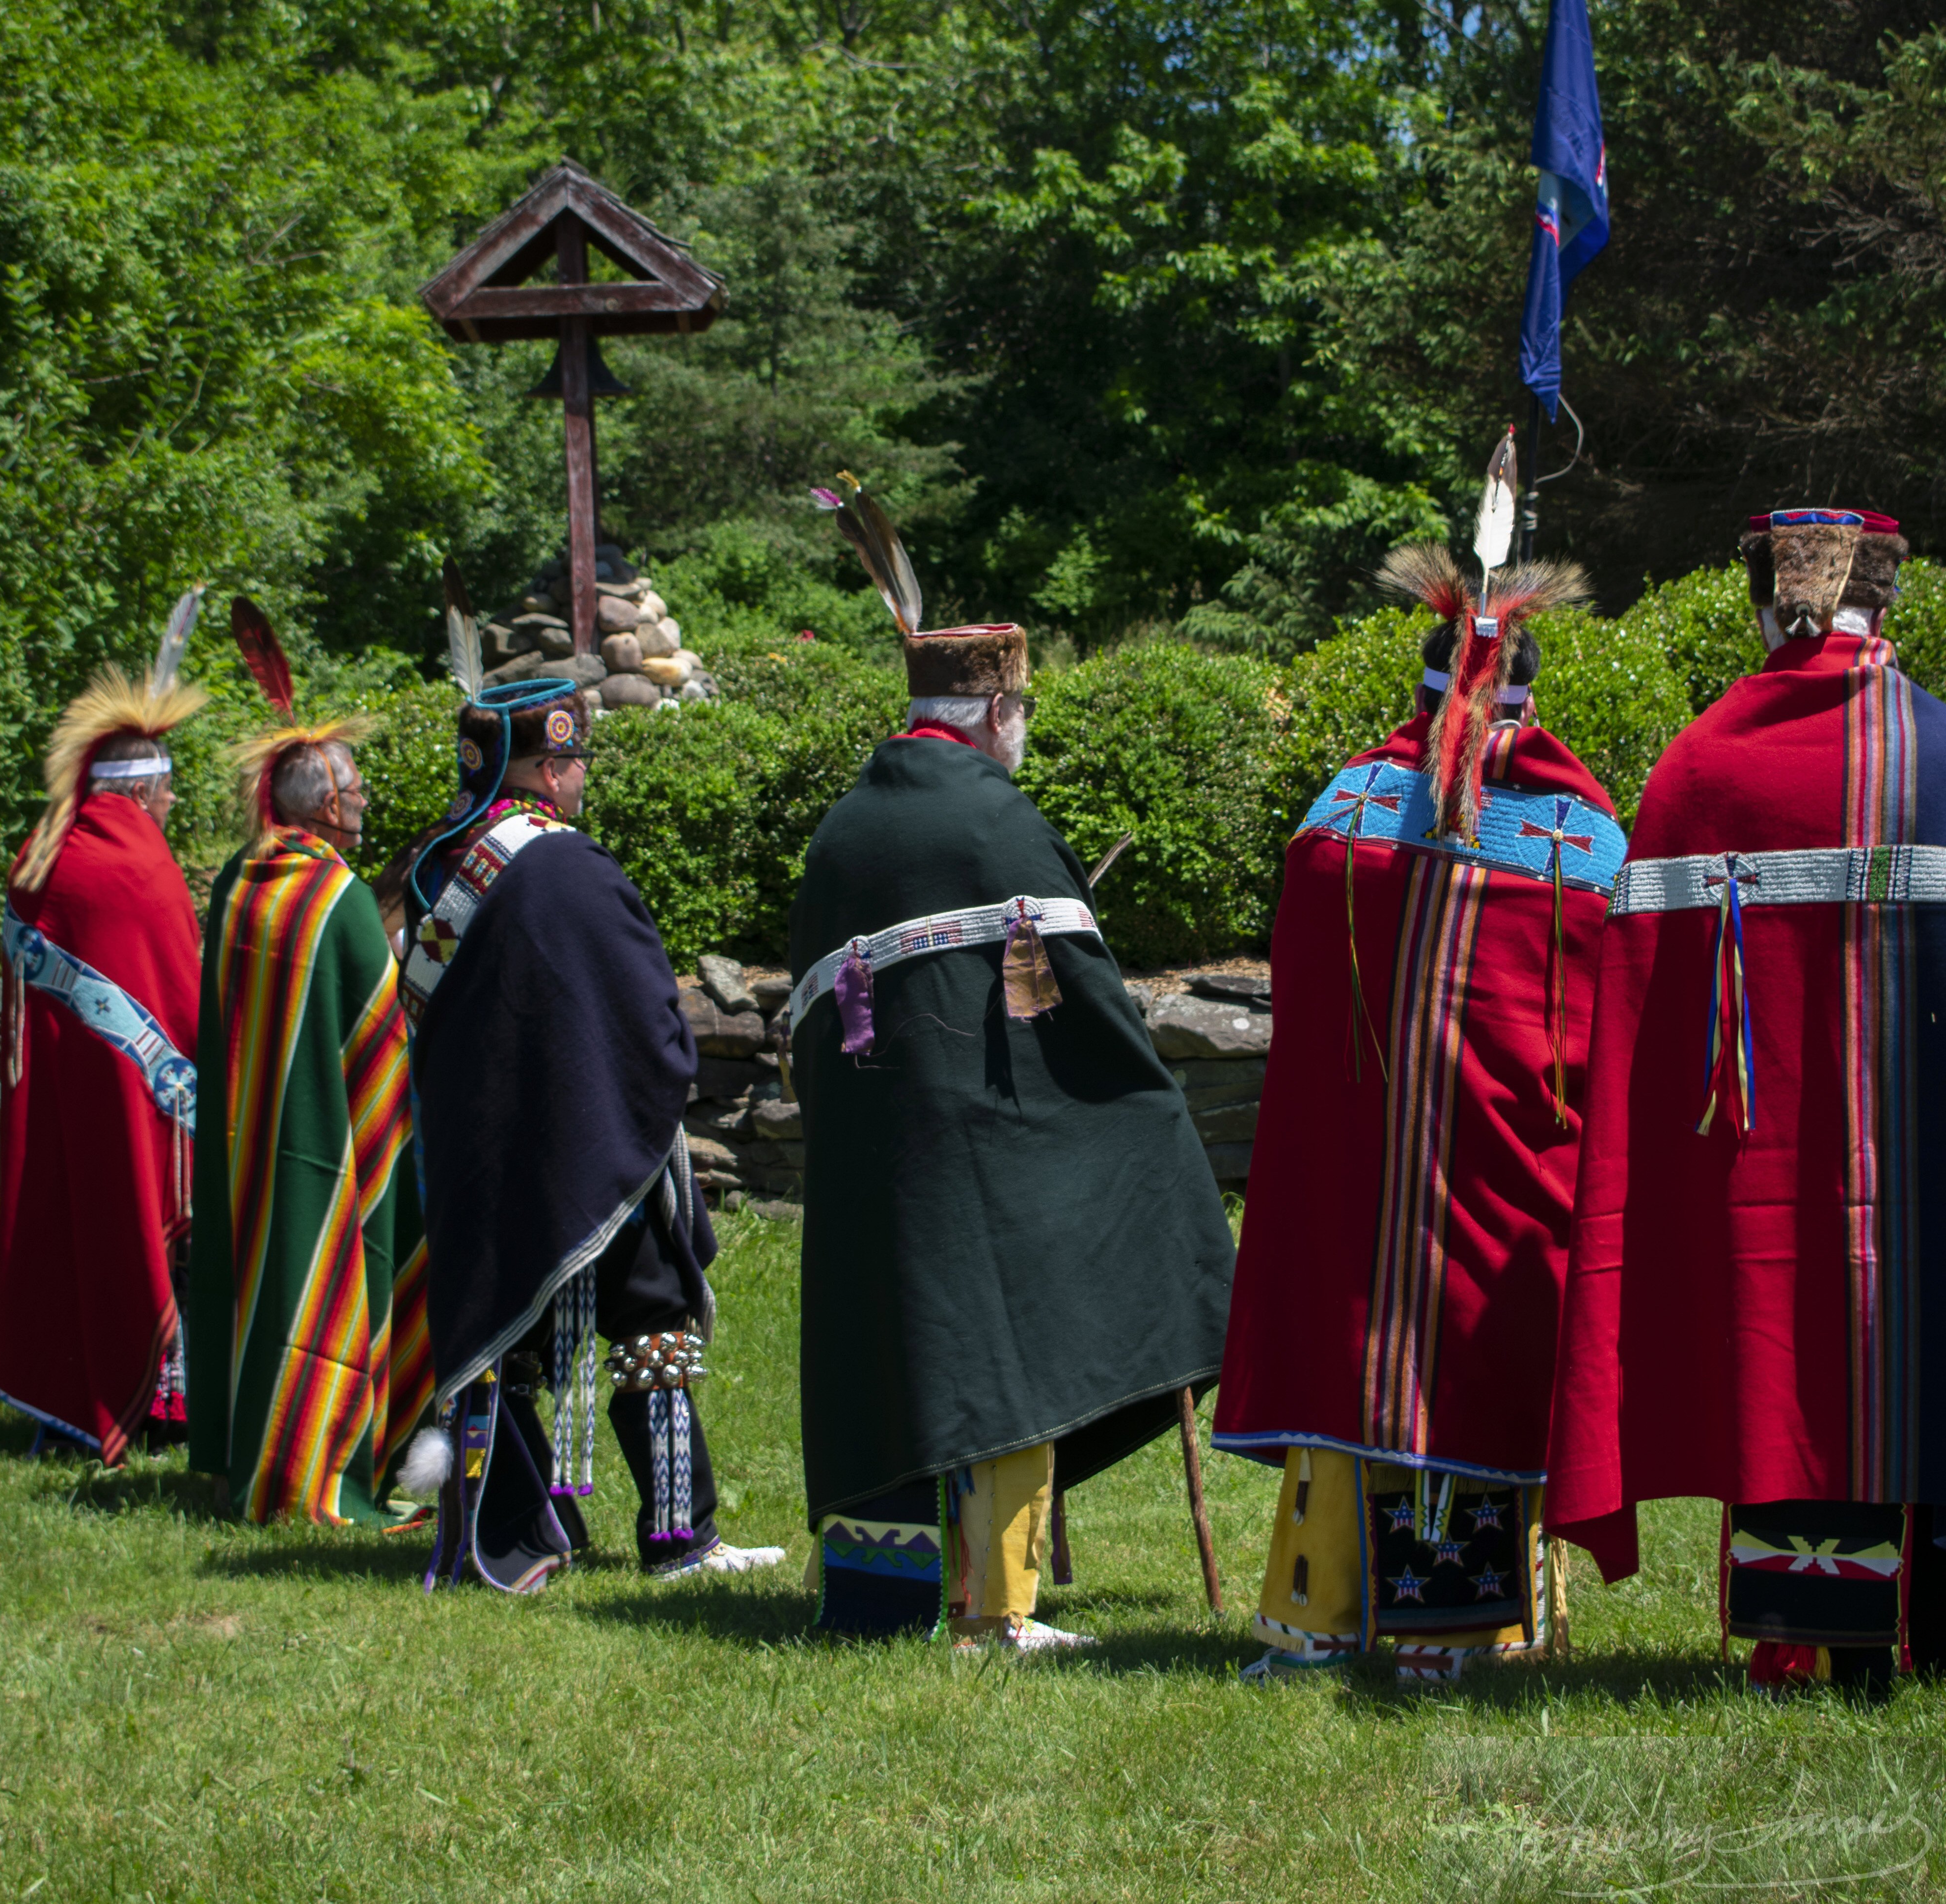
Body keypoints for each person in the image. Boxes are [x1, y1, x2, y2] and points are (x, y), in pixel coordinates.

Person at [789, 477, 1233, 1650]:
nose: (1024, 725)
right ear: (991, 714)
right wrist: (1142, 1097)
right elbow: (1079, 1001)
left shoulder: (843, 827)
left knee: (903, 1337)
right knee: (1011, 1324)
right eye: (1021, 705)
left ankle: (888, 1592)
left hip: (873, 1146)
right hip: (985, 1142)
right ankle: (997, 1609)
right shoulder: (989, 816)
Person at [1547, 508, 1946, 1691]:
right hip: (1911, 1171)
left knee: (1781, 1345)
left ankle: (1806, 1631)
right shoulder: (1932, 755)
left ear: (1758, 602)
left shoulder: (1695, 767)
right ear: (1891, 598)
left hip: (1753, 1176)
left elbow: (1638, 1026)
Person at [1209, 547, 1624, 1683]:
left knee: (1356, 1338)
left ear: (1422, 690)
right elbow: (1607, 1033)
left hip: (1354, 1169)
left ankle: (1316, 1619)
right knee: (1476, 1349)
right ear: (1530, 699)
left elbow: (1302, 1013)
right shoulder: (1581, 843)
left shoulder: (1342, 815)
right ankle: (1461, 1628)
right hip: (1503, 1178)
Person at [400, 673, 782, 1592]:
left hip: (491, 1155)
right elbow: (646, 1010)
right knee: (655, 1320)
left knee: (513, 1342)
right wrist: (663, 1084)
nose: (578, 776)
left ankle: (526, 1522)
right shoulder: (565, 862)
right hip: (598, 1140)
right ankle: (678, 1535)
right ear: (535, 768)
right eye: (566, 759)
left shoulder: (439, 867)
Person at [187, 598, 432, 1524]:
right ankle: (311, 1460)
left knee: (248, 1277)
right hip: (327, 1155)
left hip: (245, 1151)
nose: (366, 798)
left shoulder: (237, 885)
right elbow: (380, 1050)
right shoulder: (339, 901)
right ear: (328, 802)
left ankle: (232, 1459)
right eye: (358, 787)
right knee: (322, 1276)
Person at [0, 647, 207, 1465]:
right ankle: (157, 1402)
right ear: (142, 789)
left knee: (66, 1228)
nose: (173, 799)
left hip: (57, 1104)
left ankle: (64, 1405)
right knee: (141, 1231)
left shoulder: (41, 856)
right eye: (167, 786)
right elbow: (182, 999)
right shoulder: (140, 864)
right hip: (138, 1109)